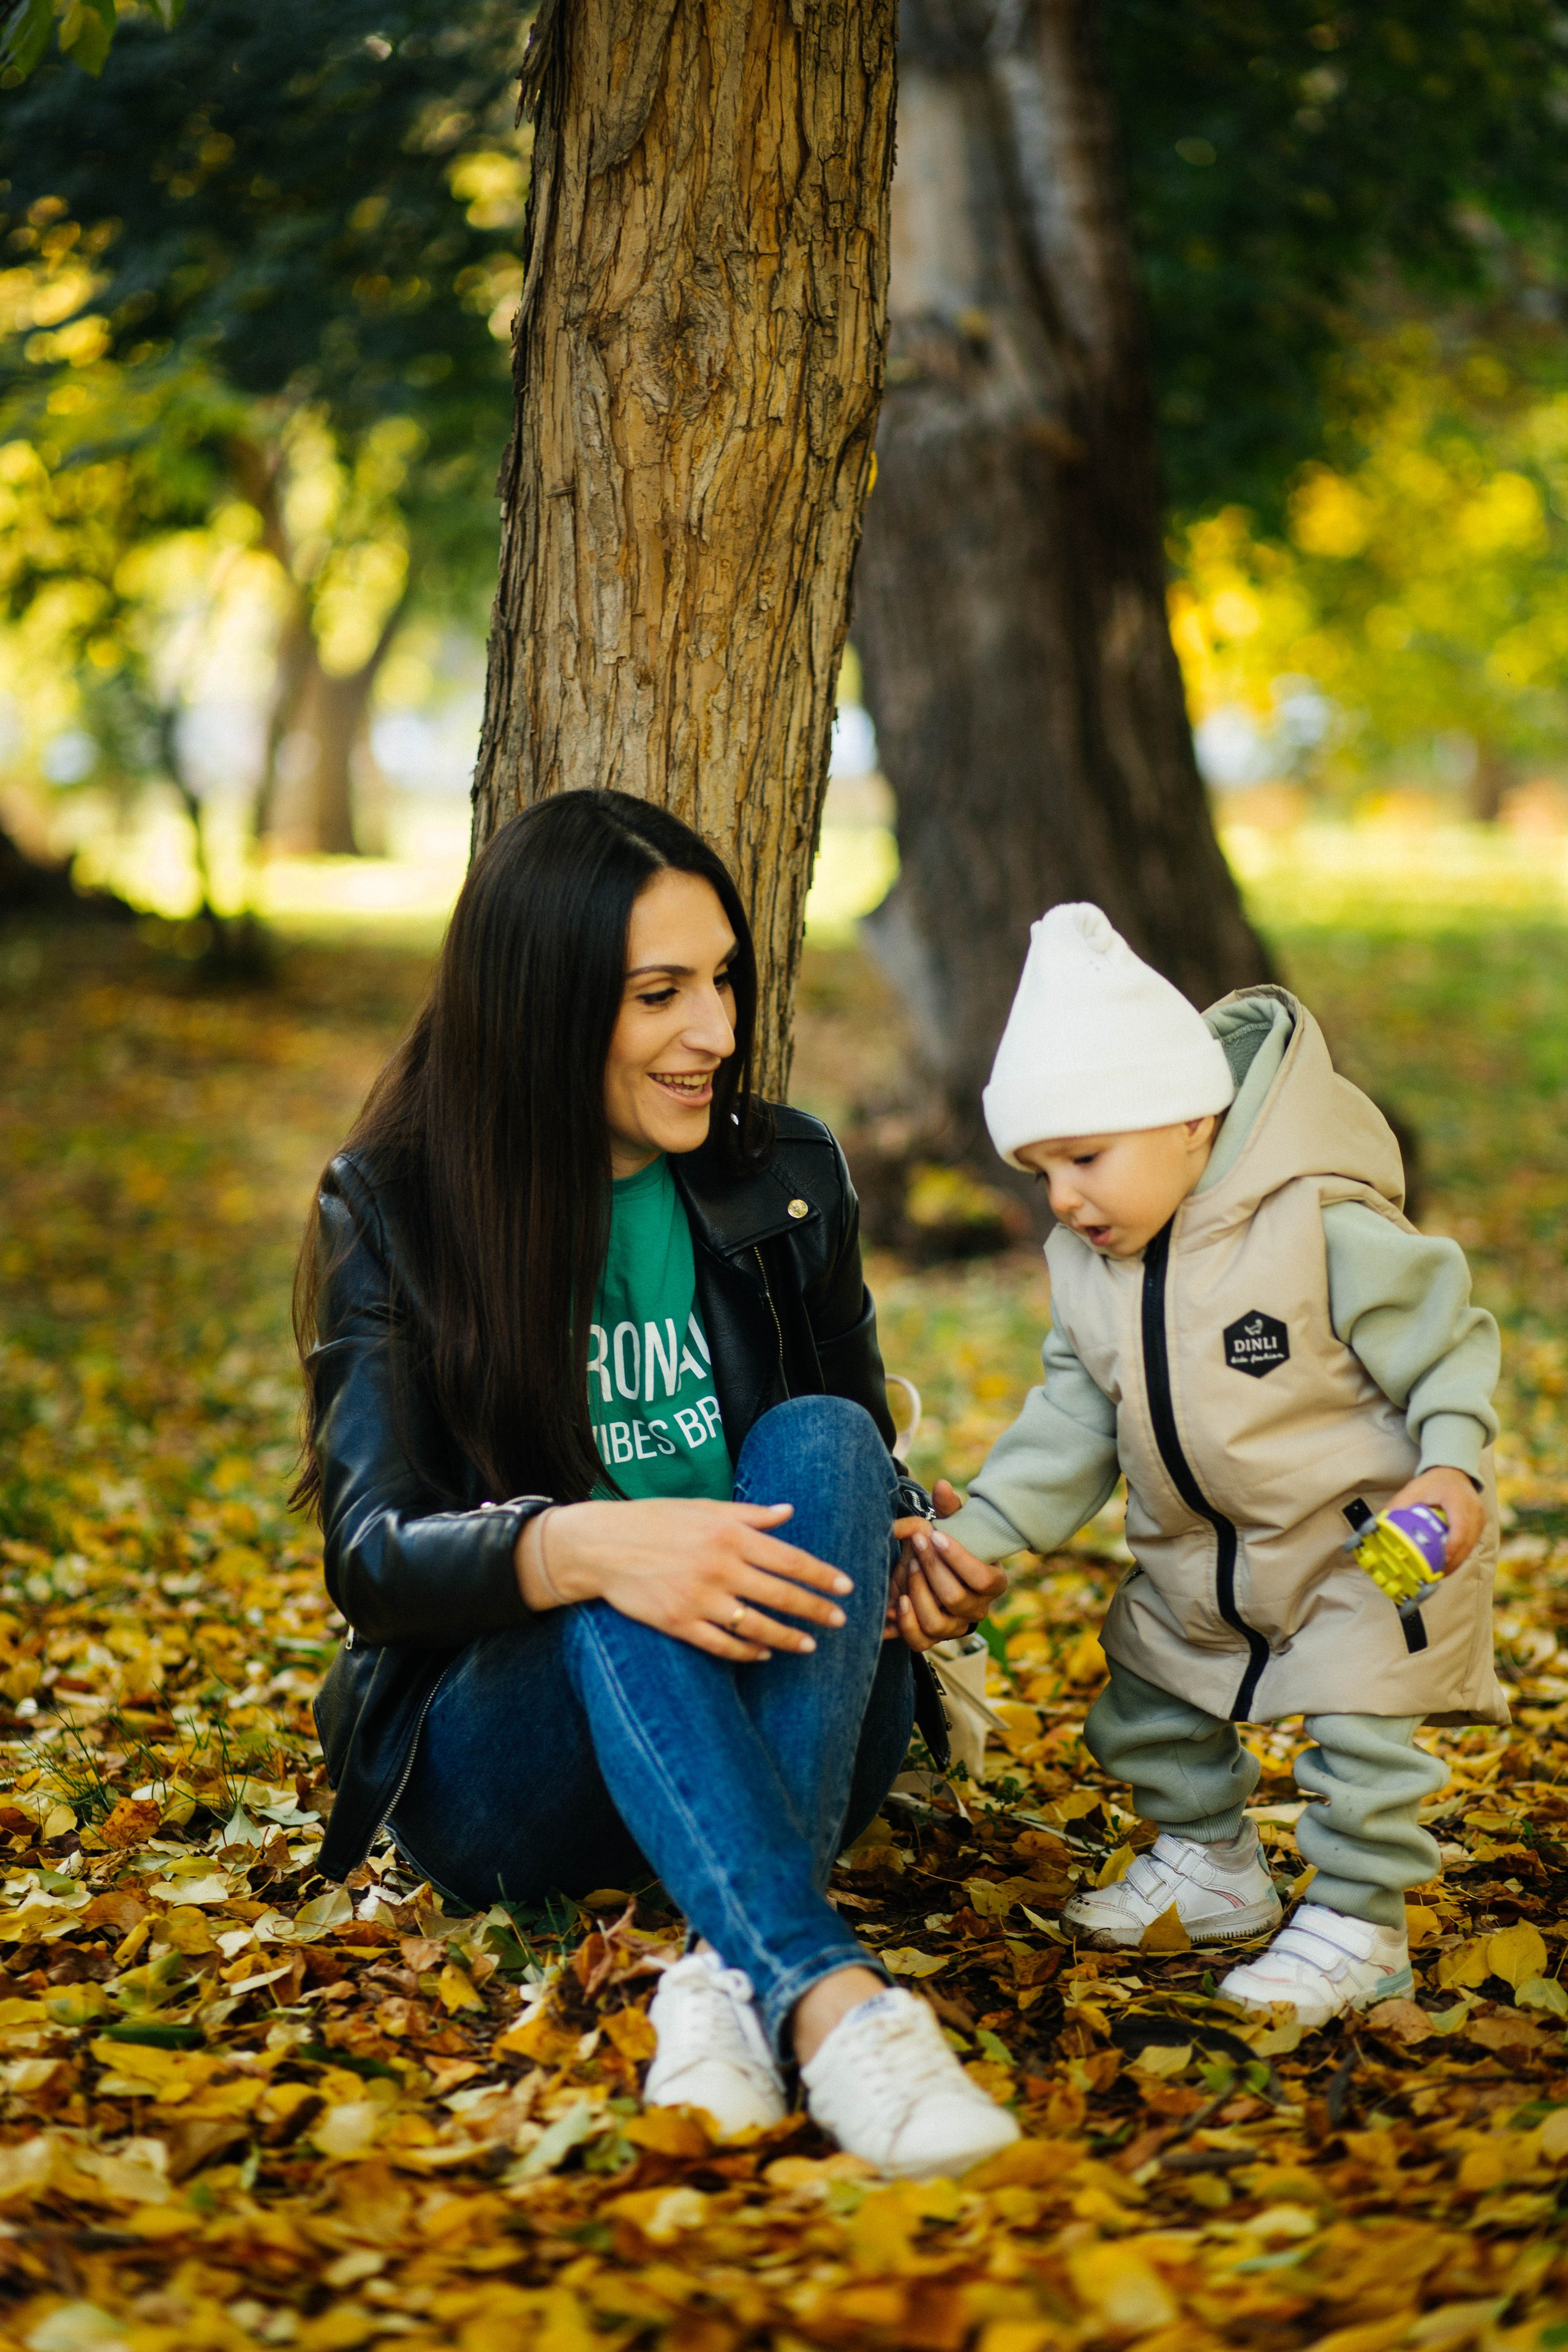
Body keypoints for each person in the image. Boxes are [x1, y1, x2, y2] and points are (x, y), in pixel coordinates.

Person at [292, 790, 1017, 2178]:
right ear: (544, 1005)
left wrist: (916, 1547)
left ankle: (725, 1981)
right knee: (620, 1566)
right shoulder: (395, 1204)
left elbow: (857, 1467)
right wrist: (583, 1547)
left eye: (723, 982)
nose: (717, 1033)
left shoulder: (787, 1177)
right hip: (513, 1765)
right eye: (659, 995)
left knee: (826, 1437)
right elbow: (371, 1556)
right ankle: (831, 2000)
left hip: (789, 1705)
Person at [897, 903, 1503, 2028]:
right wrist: (977, 1534)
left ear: (1188, 1119)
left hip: (1372, 1544)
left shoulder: (1320, 1220)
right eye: (1041, 1170)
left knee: (1363, 1733)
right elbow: (1071, 1419)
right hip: (1198, 1555)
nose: (1063, 1198)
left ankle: (1362, 1925)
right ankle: (1212, 1866)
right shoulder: (1090, 1268)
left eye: (1085, 1158)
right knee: (1150, 1695)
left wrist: (1454, 1465)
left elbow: (1445, 1344)